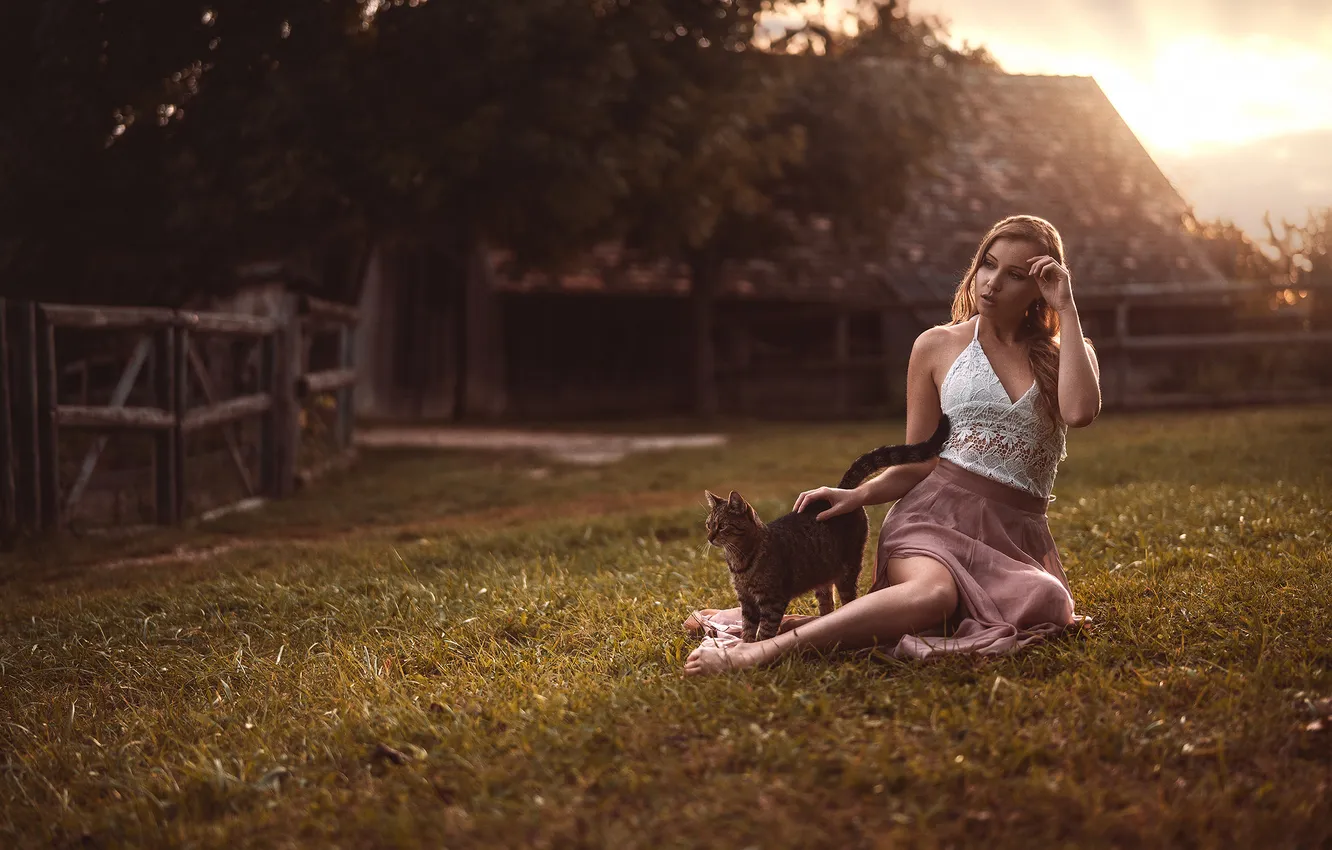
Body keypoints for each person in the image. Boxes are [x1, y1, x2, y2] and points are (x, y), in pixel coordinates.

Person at [683, 214, 1101, 676]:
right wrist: (858, 494)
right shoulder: (936, 345)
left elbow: (1080, 412)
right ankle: (760, 652)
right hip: (933, 520)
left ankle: (819, 625)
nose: (992, 282)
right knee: (934, 596)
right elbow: (919, 460)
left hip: (1013, 535)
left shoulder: (1070, 352)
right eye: (988, 263)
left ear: (1040, 287)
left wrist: (1066, 307)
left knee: (1049, 601)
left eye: (1015, 275)